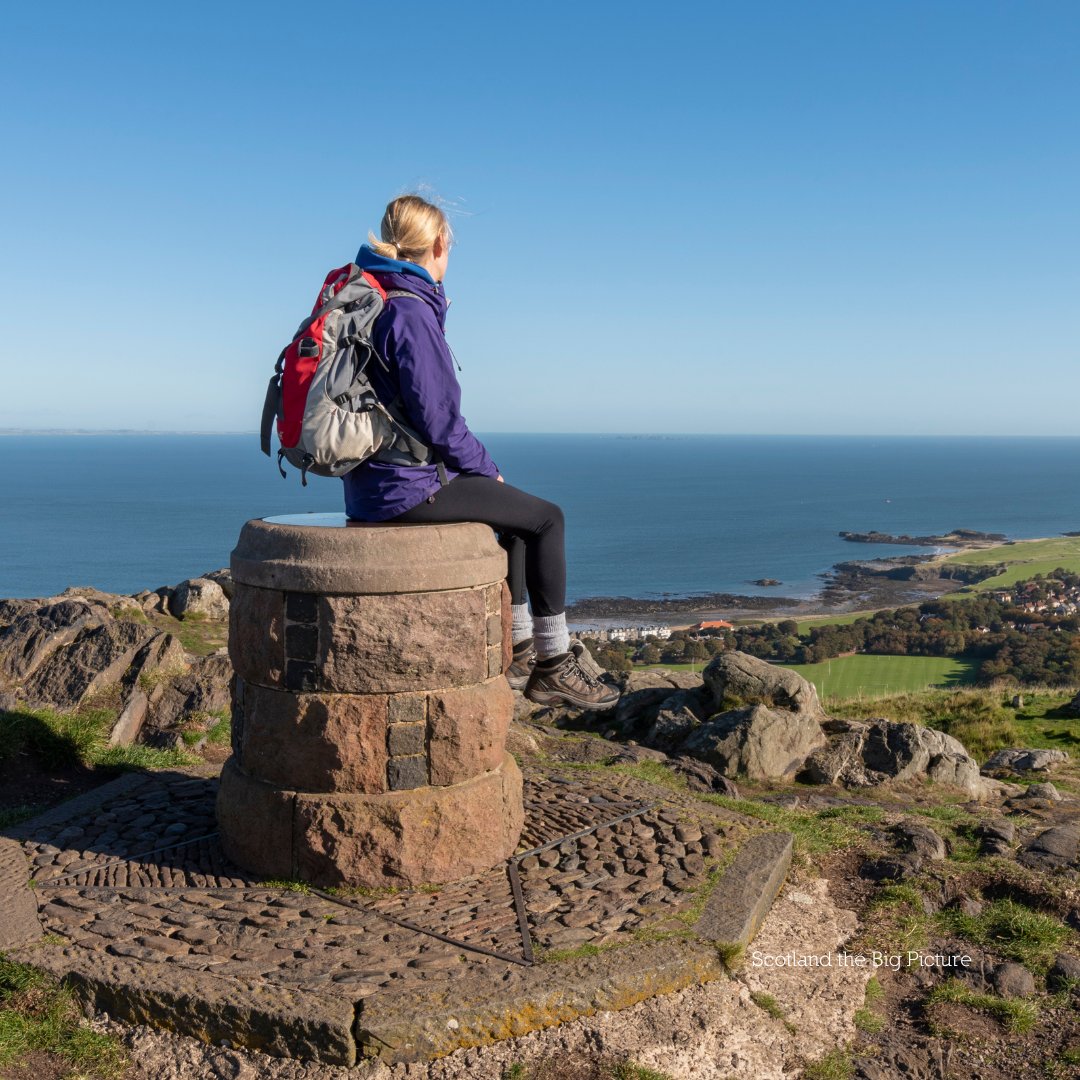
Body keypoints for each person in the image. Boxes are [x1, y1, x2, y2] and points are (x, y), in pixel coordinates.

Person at [342, 194, 618, 711]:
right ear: (438, 244)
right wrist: (487, 470)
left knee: (514, 522)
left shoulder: (376, 301)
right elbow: (440, 422)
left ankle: (518, 648)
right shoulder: (409, 312)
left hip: (373, 483)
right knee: (547, 520)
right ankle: (554, 664)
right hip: (405, 489)